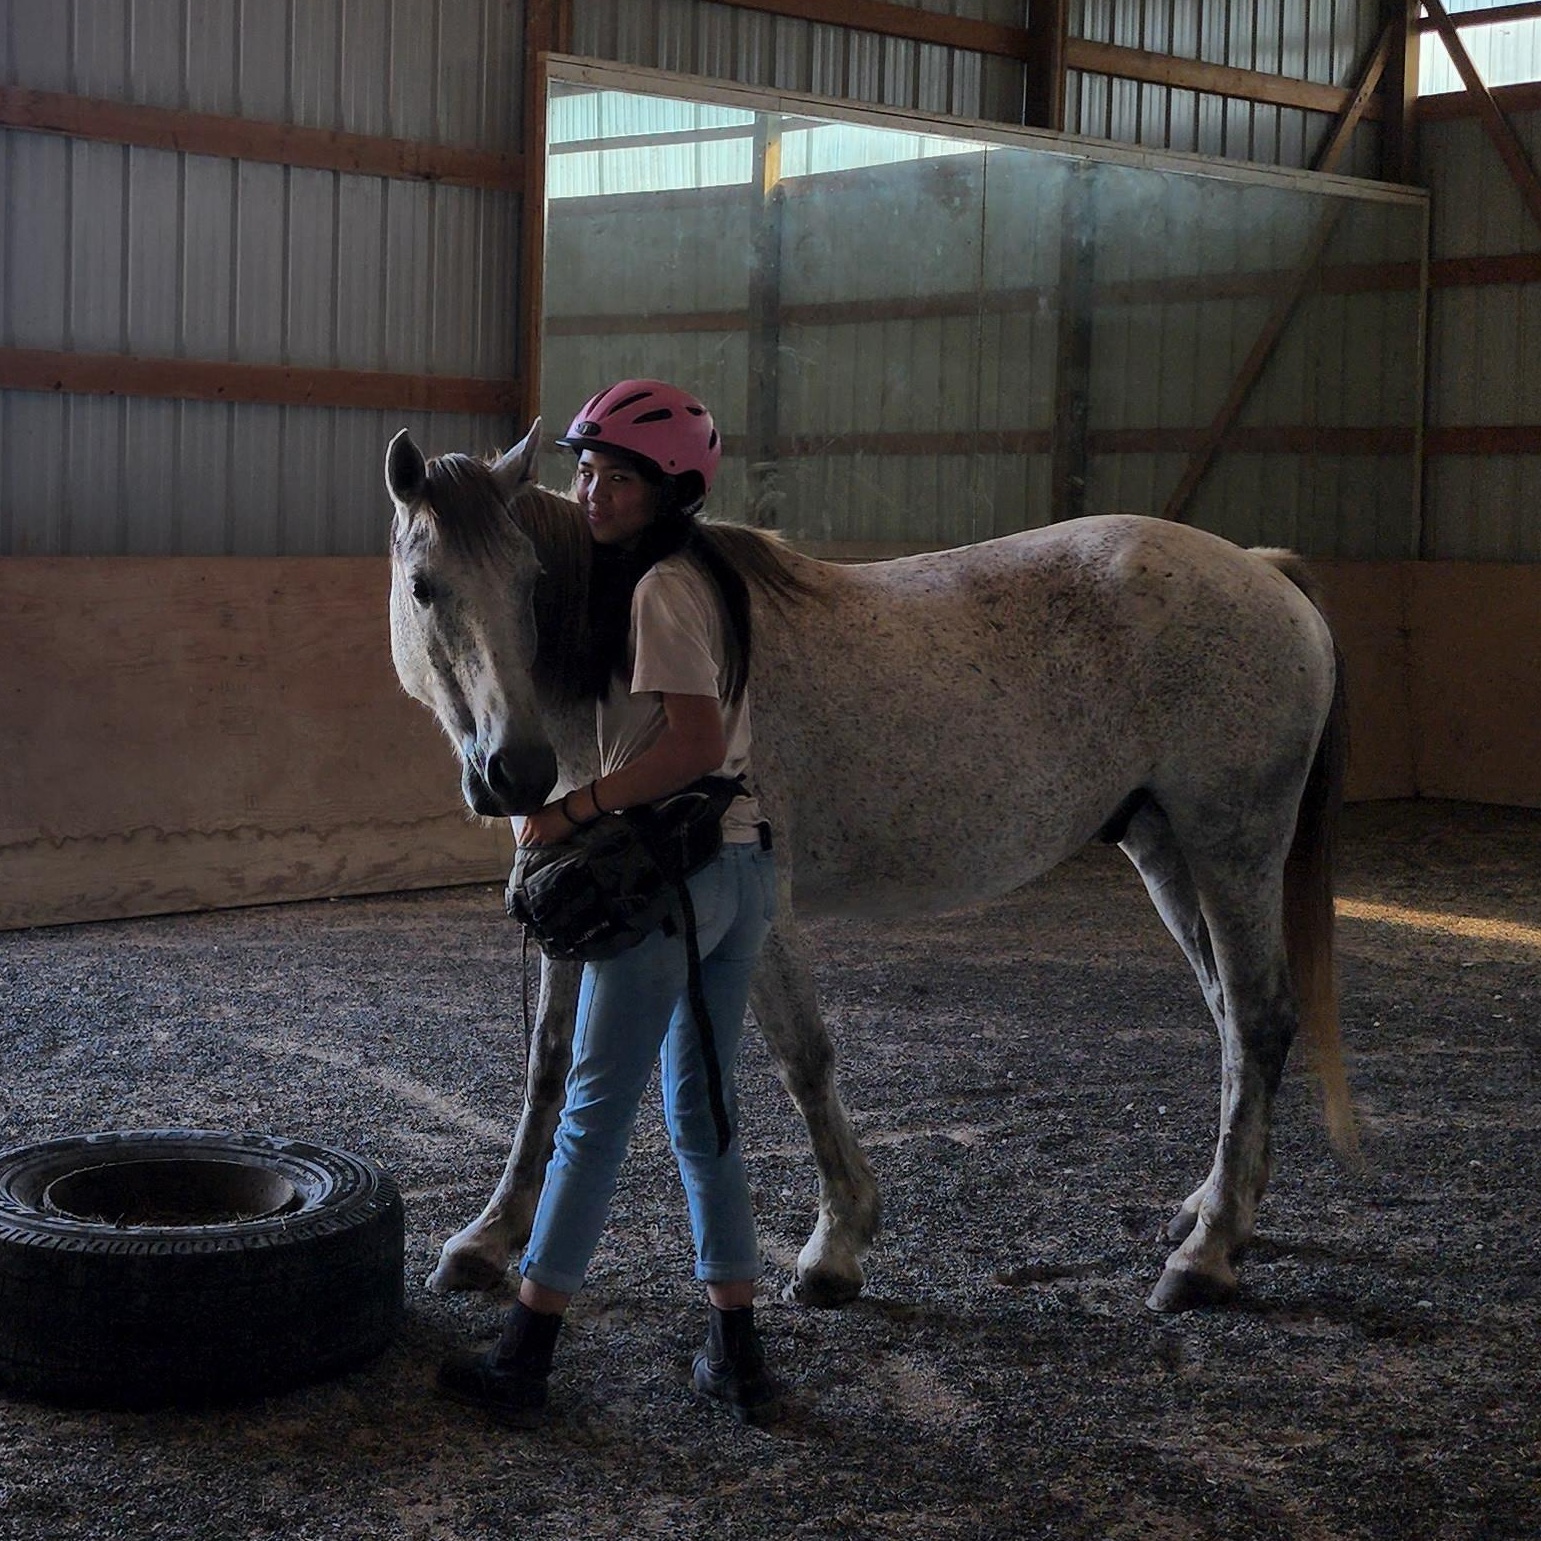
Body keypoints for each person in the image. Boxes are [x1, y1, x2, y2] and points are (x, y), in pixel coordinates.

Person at [438, 379, 782, 1428]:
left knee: (591, 1117)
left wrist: (569, 809)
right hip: (739, 866)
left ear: (668, 490)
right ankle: (736, 1349)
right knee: (704, 1112)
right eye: (586, 470)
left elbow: (687, 745)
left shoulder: (658, 591)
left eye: (620, 478)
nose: (592, 492)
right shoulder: (711, 576)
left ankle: (525, 1356)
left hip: (669, 880)